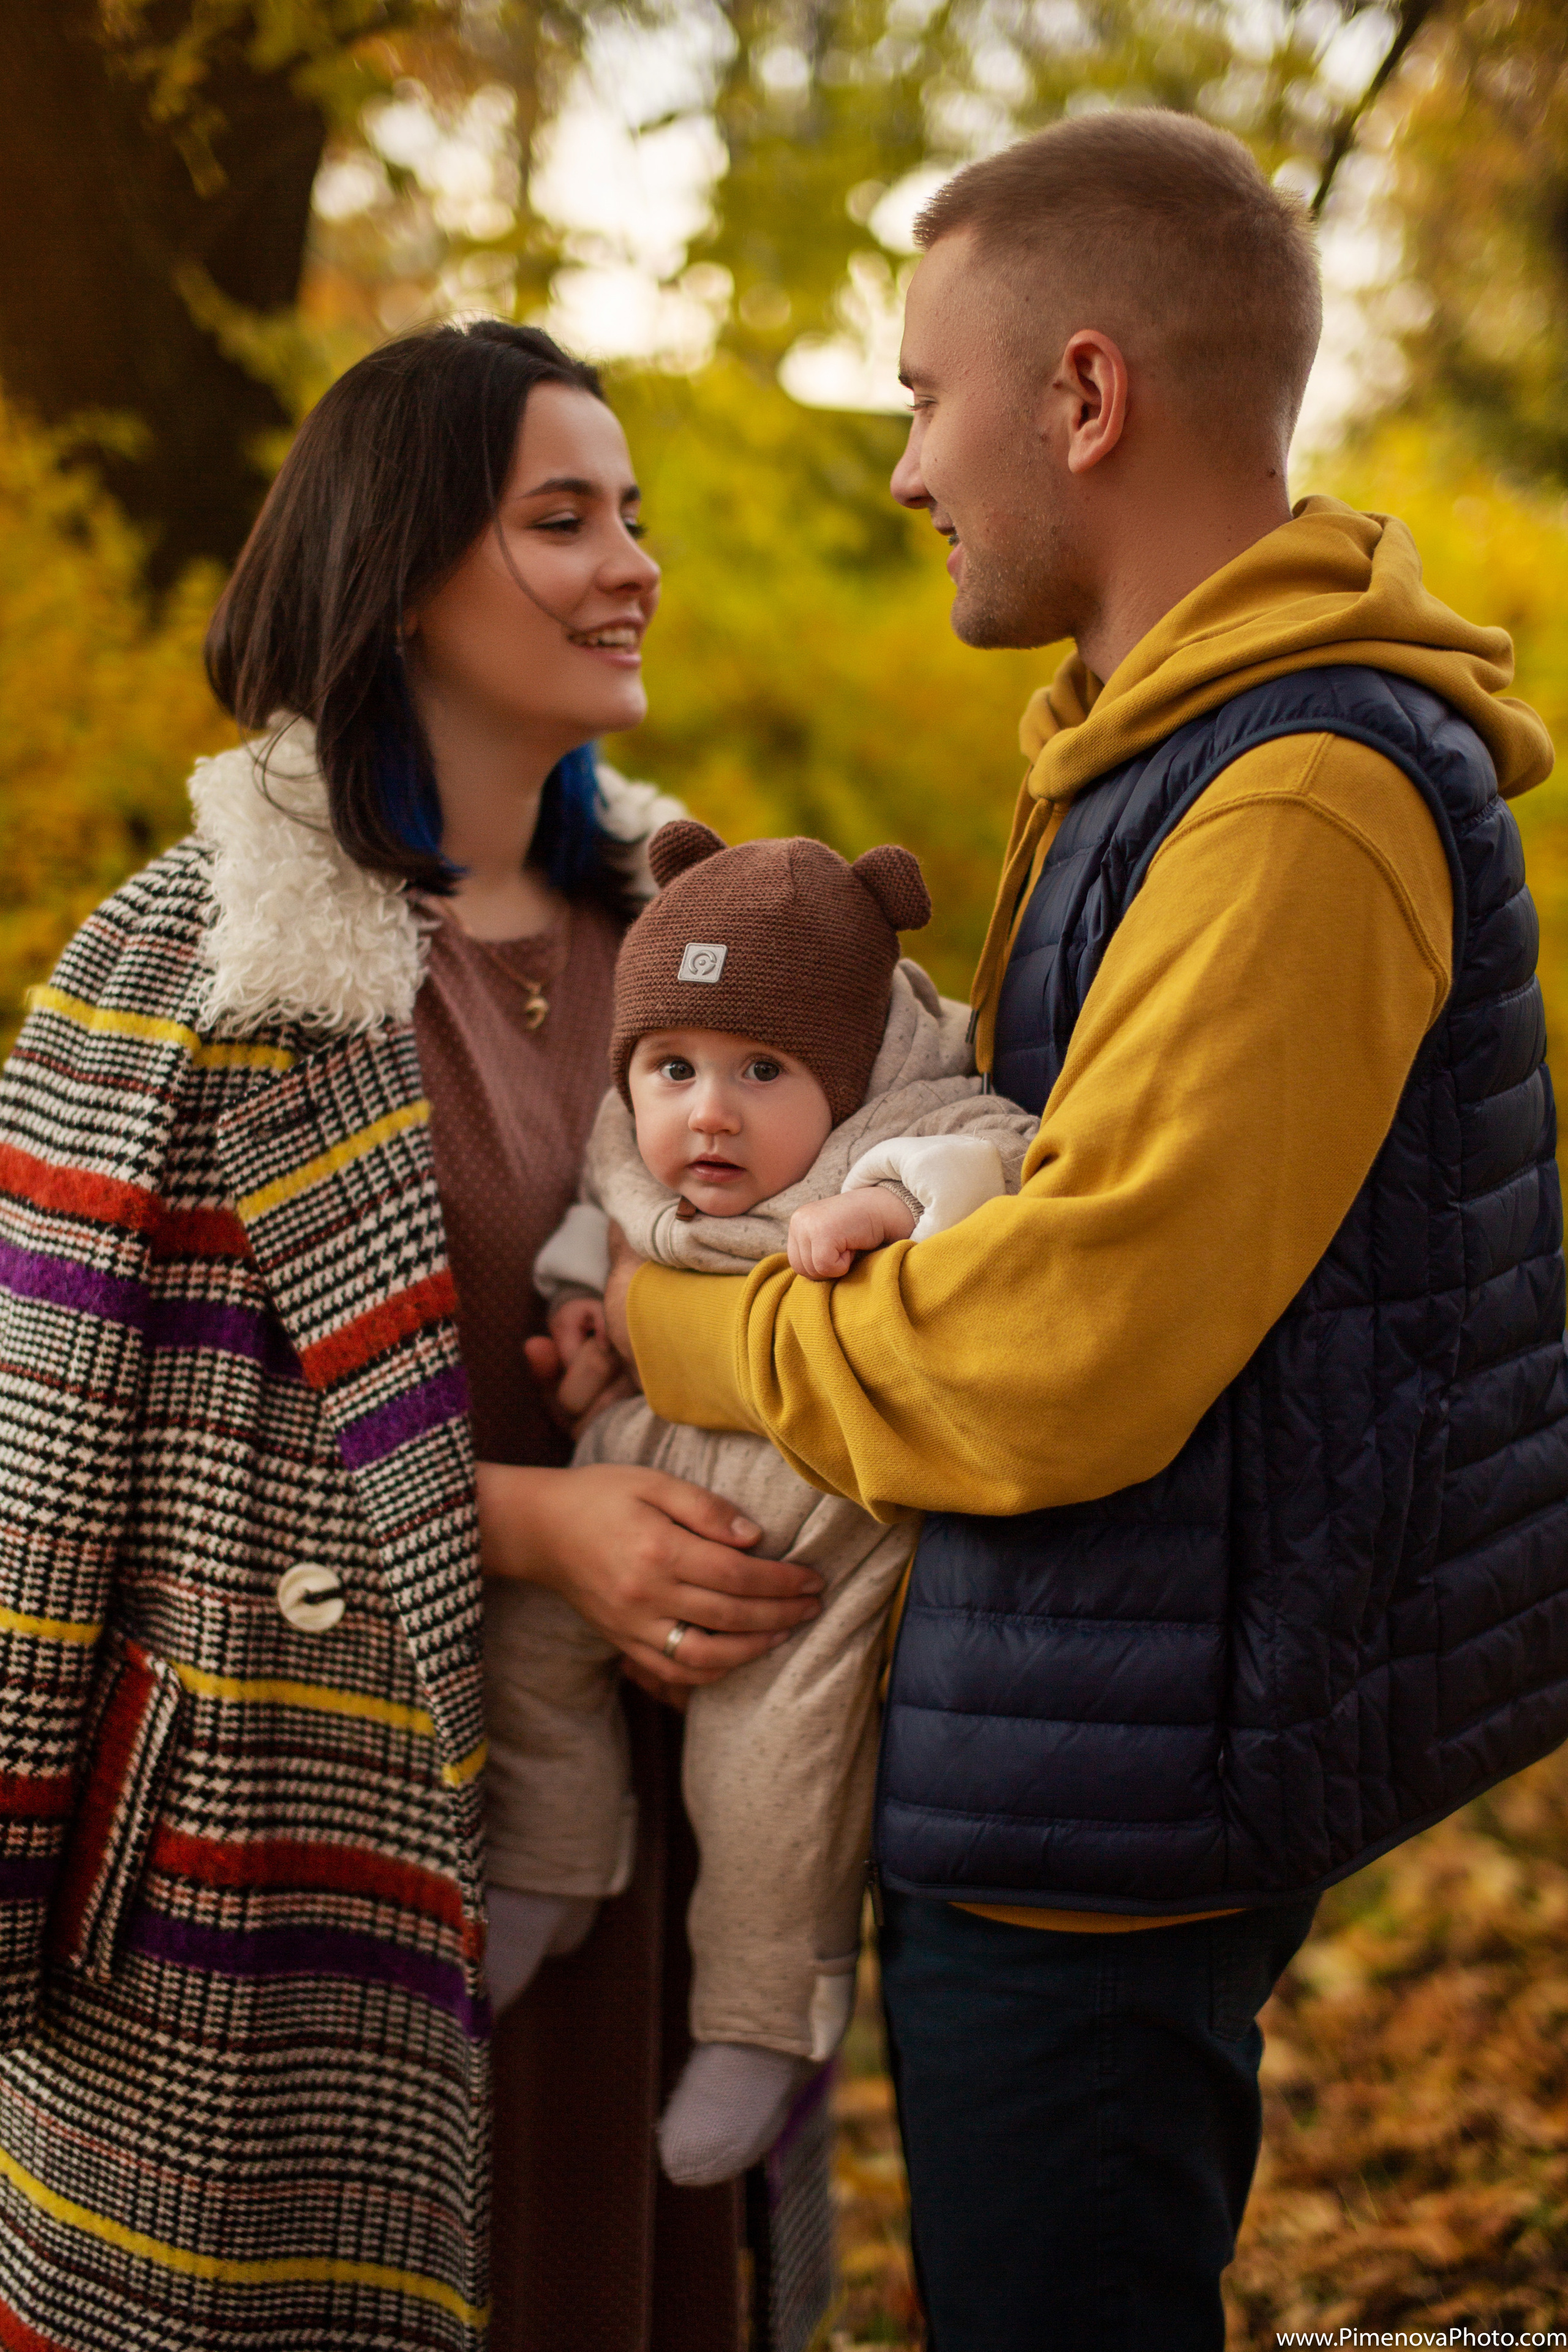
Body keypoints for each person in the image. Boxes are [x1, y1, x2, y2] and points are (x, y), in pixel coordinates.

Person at [606, 111, 1568, 2348]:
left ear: (1087, 393)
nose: (904, 471)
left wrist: (684, 1335)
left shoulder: (1302, 794)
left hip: (1119, 1805)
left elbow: (1064, 1351)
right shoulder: (1156, 754)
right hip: (1075, 1736)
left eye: (923, 396)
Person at [0, 319, 823, 2352]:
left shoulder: (700, 941)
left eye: (635, 515)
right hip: (293, 1845)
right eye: (564, 519)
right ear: (400, 576)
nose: (632, 563)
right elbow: (61, 1478)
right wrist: (533, 1529)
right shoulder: (185, 964)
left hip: (661, 1827)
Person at [484, 818, 1038, 2188]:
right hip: (645, 1456)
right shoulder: (637, 1137)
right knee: (528, 1649)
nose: (708, 1114)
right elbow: (597, 1207)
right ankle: (551, 1856)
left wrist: (887, 1211)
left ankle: (760, 2020)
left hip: (810, 1530)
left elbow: (1000, 1164)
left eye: (762, 1071)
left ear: (844, 1075)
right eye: (673, 1068)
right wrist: (581, 1310)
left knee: (772, 1776)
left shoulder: (898, 1127)